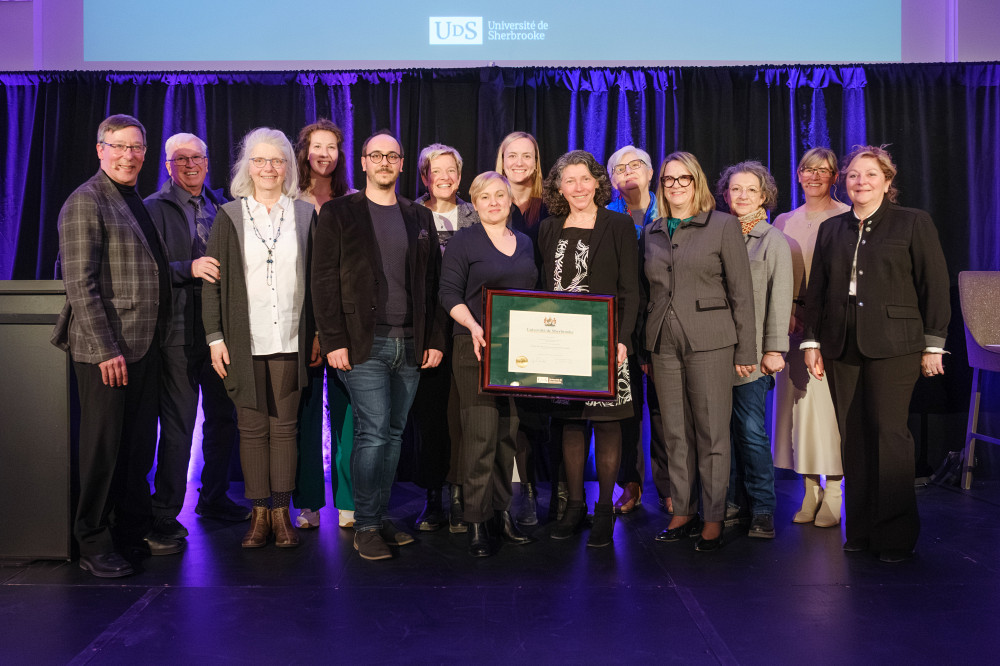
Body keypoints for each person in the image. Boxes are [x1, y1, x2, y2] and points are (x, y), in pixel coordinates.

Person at [802, 145, 950, 563]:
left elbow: (934, 284)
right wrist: (812, 342)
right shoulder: (832, 228)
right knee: (853, 436)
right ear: (844, 182)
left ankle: (895, 534)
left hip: (896, 344)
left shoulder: (913, 222)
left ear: (887, 181)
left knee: (888, 434)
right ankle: (862, 529)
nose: (860, 181)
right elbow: (817, 290)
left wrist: (933, 344)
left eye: (870, 174)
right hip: (841, 342)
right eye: (853, 175)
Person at [51, 114, 182, 578]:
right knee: (104, 451)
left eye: (137, 147)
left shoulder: (133, 201)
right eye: (119, 146)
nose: (129, 156)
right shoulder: (86, 200)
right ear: (100, 150)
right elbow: (80, 284)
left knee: (137, 448)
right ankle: (93, 540)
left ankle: (129, 533)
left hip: (143, 345)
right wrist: (106, 349)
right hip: (107, 351)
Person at [311, 129, 446, 561]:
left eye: (392, 155)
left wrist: (434, 339)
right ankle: (366, 524)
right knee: (372, 432)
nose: (384, 162)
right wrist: (332, 339)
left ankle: (381, 515)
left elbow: (432, 284)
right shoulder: (338, 212)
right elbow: (323, 281)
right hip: (361, 344)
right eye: (376, 155)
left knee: (393, 433)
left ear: (402, 164)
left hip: (410, 344)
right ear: (364, 162)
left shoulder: (419, 216)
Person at [202, 127, 316, 549]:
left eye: (277, 160)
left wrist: (319, 334)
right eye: (260, 160)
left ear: (288, 167)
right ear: (247, 167)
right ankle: (259, 515)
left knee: (285, 428)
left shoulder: (305, 214)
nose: (269, 168)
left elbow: (319, 281)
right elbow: (211, 283)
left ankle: (282, 513)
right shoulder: (229, 215)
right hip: (242, 341)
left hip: (291, 339)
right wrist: (215, 336)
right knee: (251, 429)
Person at [641, 150, 756, 552]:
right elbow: (648, 292)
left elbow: (741, 292)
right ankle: (684, 511)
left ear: (696, 183)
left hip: (711, 340)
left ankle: (713, 517)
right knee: (675, 433)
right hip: (662, 343)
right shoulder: (652, 230)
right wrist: (645, 348)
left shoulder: (723, 225)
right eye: (668, 180)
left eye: (683, 178)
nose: (675, 186)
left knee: (711, 433)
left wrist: (746, 350)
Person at [144, 133, 248, 543]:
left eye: (197, 157)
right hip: (177, 331)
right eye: (180, 159)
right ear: (168, 165)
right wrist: (187, 267)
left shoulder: (223, 205)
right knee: (179, 424)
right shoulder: (152, 208)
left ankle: (214, 497)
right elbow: (143, 268)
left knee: (224, 419)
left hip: (220, 331)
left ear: (207, 161)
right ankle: (163, 512)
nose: (190, 165)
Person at [537, 150, 640, 548]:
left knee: (608, 424)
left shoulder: (619, 225)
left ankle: (604, 511)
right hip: (560, 343)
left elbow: (630, 289)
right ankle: (575, 506)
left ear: (597, 182)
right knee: (570, 424)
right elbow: (541, 289)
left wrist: (623, 339)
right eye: (570, 180)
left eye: (585, 179)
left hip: (606, 341)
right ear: (559, 188)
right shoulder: (549, 228)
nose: (578, 187)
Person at [440, 171, 539, 556]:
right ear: (475, 203)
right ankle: (477, 520)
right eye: (485, 196)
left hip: (516, 352)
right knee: (480, 434)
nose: (494, 202)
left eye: (500, 195)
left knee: (506, 435)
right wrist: (474, 326)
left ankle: (501, 514)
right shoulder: (464, 242)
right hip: (474, 347)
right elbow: (448, 294)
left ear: (511, 200)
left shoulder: (525, 243)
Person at [772, 148, 849, 527]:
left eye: (823, 170)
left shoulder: (847, 216)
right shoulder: (784, 220)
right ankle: (809, 489)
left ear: (835, 177)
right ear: (798, 175)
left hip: (829, 328)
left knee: (827, 412)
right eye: (808, 169)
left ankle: (834, 490)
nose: (814, 176)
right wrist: (785, 313)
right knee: (795, 412)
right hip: (789, 325)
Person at [716, 160, 792, 539]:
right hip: (716, 353)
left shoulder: (772, 240)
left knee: (750, 432)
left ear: (764, 197)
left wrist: (775, 349)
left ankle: (762, 508)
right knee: (720, 434)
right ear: (725, 194)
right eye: (736, 189)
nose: (742, 196)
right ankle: (730, 503)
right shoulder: (716, 233)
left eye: (751, 190)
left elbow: (780, 298)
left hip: (755, 355)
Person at [411, 143, 478, 533]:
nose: (445, 177)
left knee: (465, 416)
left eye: (451, 170)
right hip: (425, 331)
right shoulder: (409, 215)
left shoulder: (477, 213)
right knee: (431, 418)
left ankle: (461, 494)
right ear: (424, 176)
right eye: (436, 171)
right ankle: (433, 497)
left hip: (468, 329)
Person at [293, 119, 356, 530]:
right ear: (304, 151)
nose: (324, 154)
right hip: (298, 323)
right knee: (305, 412)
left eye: (332, 147)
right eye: (317, 146)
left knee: (349, 414)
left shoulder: (352, 201)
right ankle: (309, 501)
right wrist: (313, 330)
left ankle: (349, 501)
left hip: (344, 324)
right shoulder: (288, 199)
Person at [605, 144, 671, 515]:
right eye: (620, 167)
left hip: (664, 322)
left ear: (650, 173)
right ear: (612, 179)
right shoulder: (605, 216)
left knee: (664, 410)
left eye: (636, 165)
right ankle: (629, 483)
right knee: (626, 411)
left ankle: (669, 487)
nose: (628, 171)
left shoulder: (673, 209)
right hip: (623, 325)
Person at [495, 131, 551, 522]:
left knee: (533, 413)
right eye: (511, 155)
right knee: (501, 412)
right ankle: (498, 495)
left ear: (536, 162)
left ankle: (531, 491)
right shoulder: (490, 200)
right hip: (500, 320)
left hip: (541, 319)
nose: (519, 162)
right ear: (501, 160)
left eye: (526, 156)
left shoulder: (550, 207)